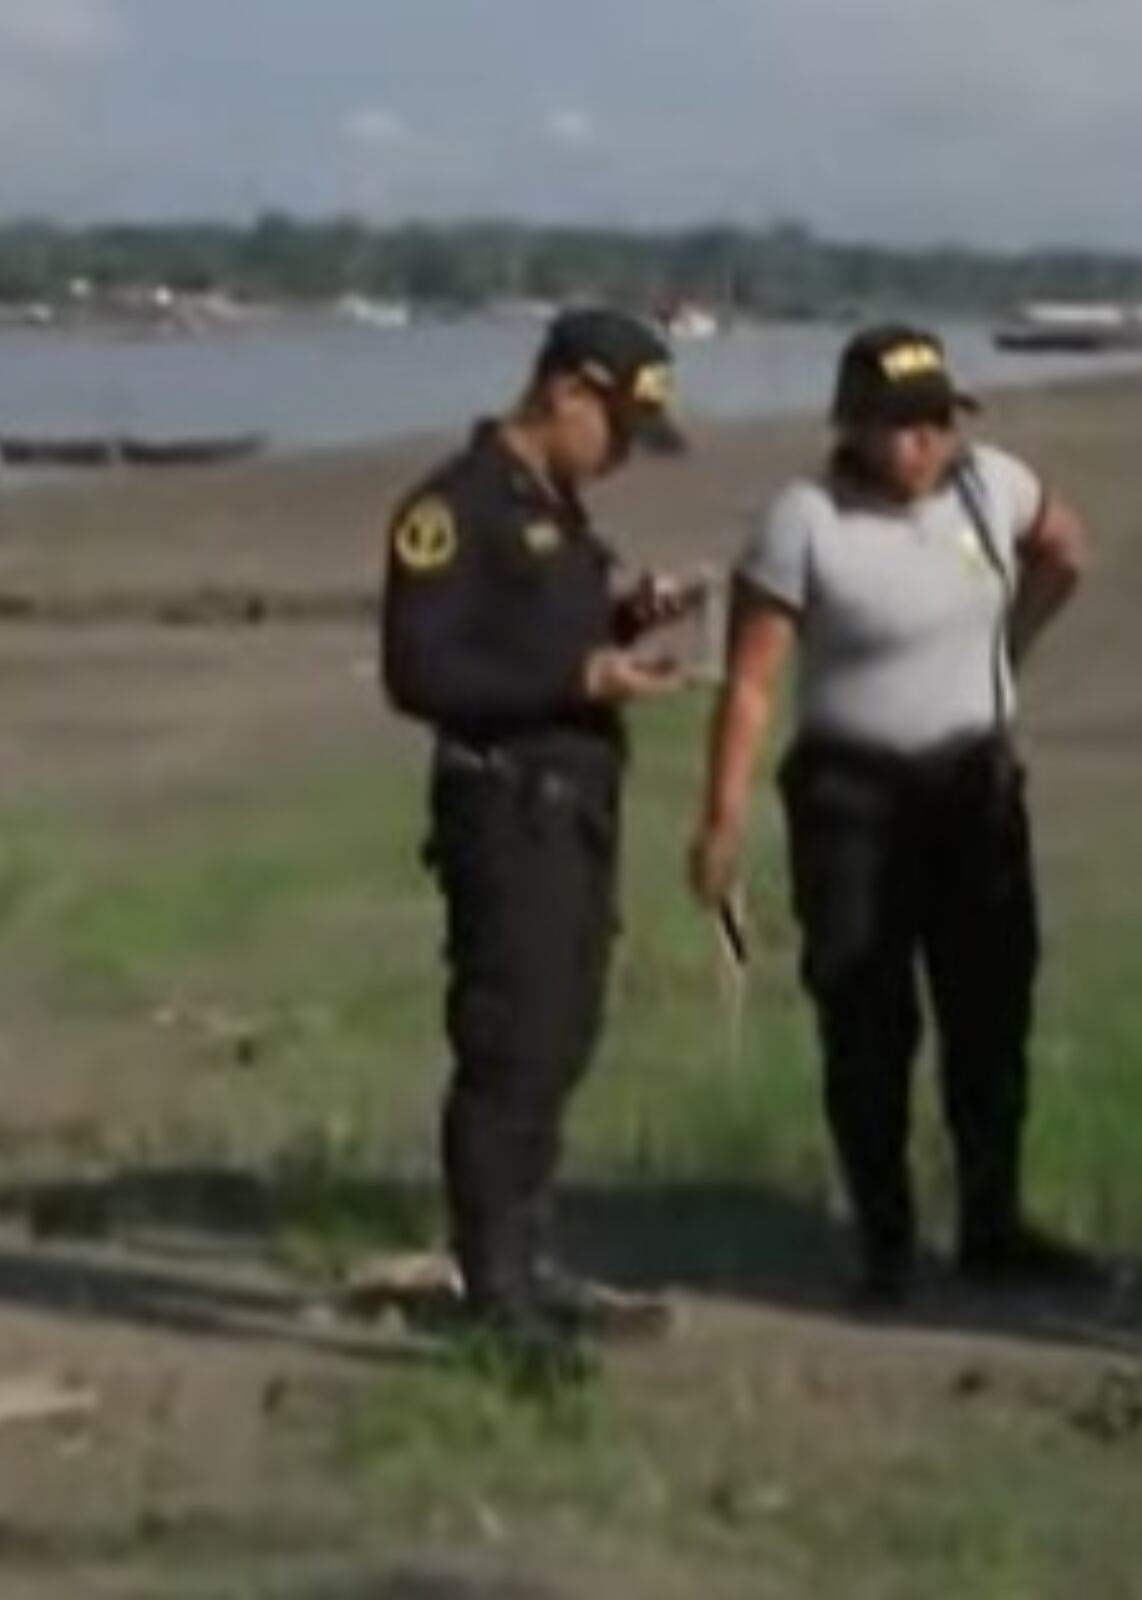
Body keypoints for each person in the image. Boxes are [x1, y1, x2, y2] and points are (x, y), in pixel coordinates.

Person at [687, 325, 1089, 1306]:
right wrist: (720, 818)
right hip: (852, 797)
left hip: (972, 786)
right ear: (854, 427)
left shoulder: (989, 487)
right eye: (900, 426)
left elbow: (1063, 549)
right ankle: (885, 1237)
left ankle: (990, 1222)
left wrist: (1009, 654)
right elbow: (748, 683)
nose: (922, 444)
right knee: (866, 1021)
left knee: (989, 1012)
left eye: (936, 423)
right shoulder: (803, 520)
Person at [380, 306, 698, 1362]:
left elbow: (537, 633)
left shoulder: (551, 506)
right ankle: (492, 1288)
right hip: (504, 803)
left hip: (574, 804)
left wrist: (622, 624)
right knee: (508, 1043)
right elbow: (418, 673)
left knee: (562, 1034)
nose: (620, 458)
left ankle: (529, 1253)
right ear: (566, 392)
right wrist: (574, 678)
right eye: (616, 430)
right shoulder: (452, 507)